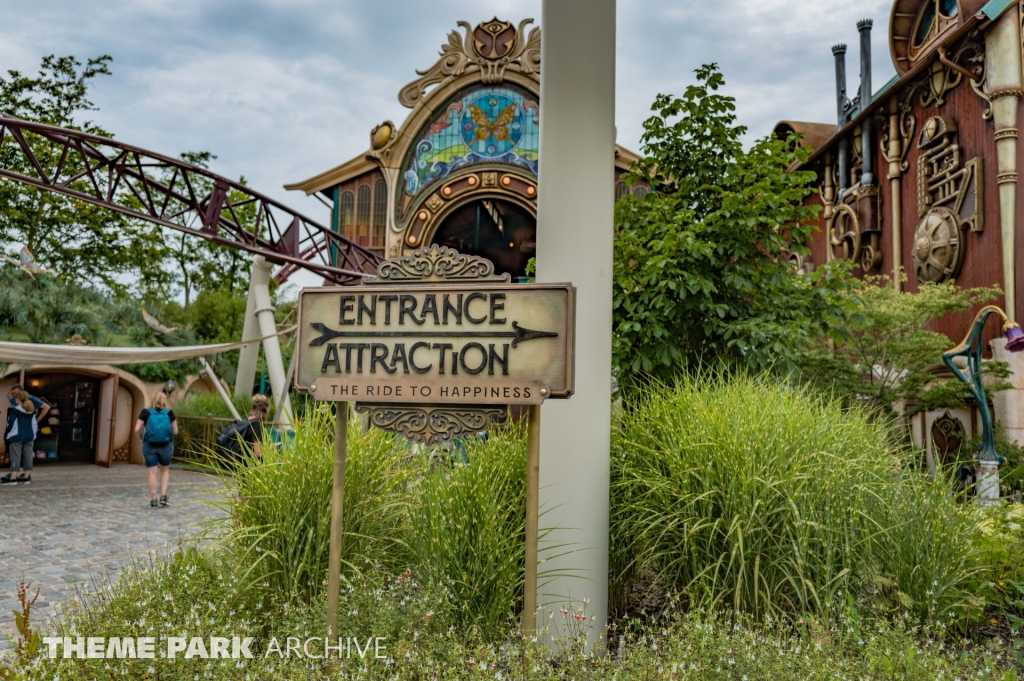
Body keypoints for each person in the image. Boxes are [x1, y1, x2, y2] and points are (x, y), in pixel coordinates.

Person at [135, 392, 178, 508]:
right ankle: (163, 496)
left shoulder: (146, 412)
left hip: (149, 445)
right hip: (166, 446)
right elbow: (175, 431)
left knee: (152, 472)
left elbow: (136, 429)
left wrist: (143, 436)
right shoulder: (169, 413)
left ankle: (153, 500)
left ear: (153, 400)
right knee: (164, 470)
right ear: (165, 401)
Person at [2, 388, 46, 484]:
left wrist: (7, 435)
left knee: (15, 456)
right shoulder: (32, 411)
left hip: (16, 436)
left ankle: (13, 477)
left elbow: (11, 424)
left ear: (18, 399)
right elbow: (34, 424)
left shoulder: (15, 410)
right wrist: (33, 435)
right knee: (28, 455)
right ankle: (26, 476)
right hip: (29, 435)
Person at [215, 394, 270, 464]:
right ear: (266, 409)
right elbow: (258, 453)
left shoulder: (245, 422)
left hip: (236, 463)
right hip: (247, 466)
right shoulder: (257, 426)